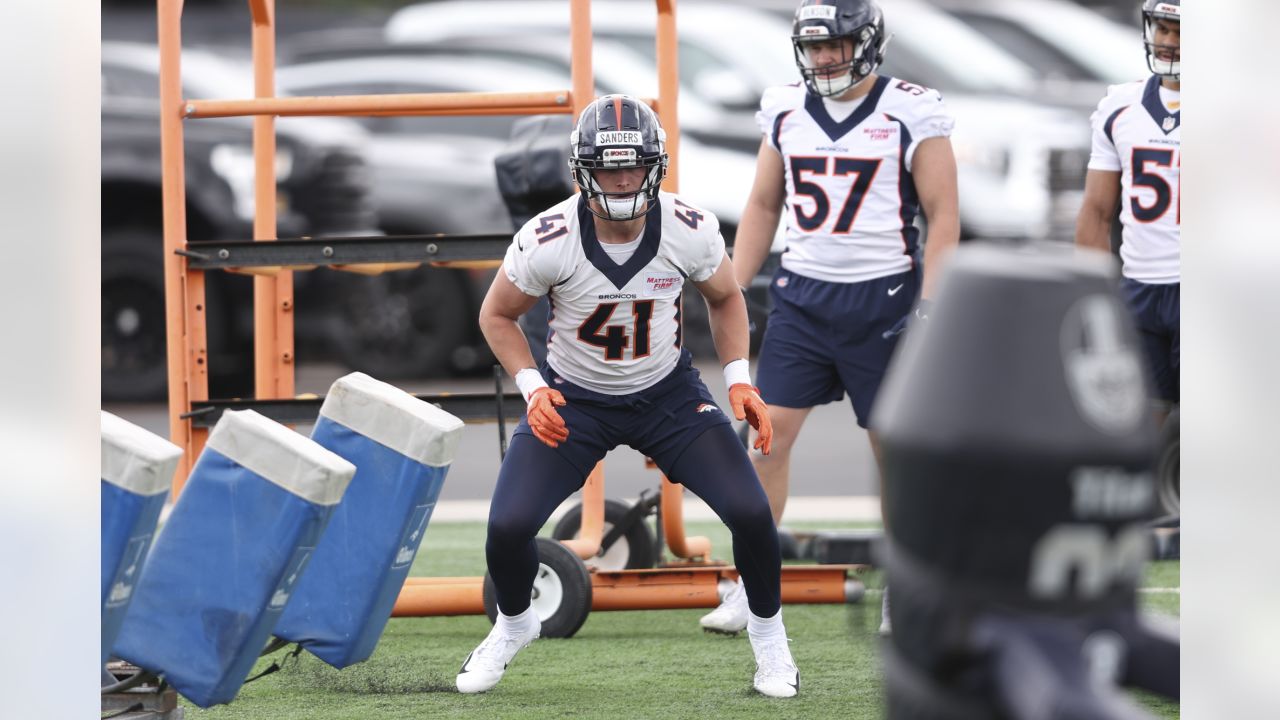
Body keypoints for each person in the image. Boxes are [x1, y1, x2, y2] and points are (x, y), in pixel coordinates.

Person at [457, 94, 800, 698]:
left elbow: (724, 296)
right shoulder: (549, 237)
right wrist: (534, 388)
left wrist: (740, 377)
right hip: (574, 400)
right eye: (609, 166)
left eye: (632, 165)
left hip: (665, 394)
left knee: (750, 512)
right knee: (507, 528)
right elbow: (497, 316)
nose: (621, 179)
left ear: (655, 165)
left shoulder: (687, 228)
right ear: (582, 169)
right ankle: (515, 624)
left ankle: (772, 644)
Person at [706, 0, 960, 637]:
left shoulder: (911, 107)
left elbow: (944, 216)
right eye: (814, 47)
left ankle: (905, 584)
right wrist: (732, 287)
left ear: (867, 43)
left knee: (894, 453)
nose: (823, 59)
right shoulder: (787, 108)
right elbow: (764, 204)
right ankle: (751, 582)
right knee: (763, 442)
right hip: (804, 299)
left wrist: (931, 304)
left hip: (886, 300)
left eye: (835, 46)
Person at [1075, 0, 1180, 423]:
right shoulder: (1119, 105)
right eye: (1163, 28)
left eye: (1182, 33)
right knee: (1141, 424)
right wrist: (1089, 294)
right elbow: (1096, 212)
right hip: (1138, 287)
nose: (1169, 41)